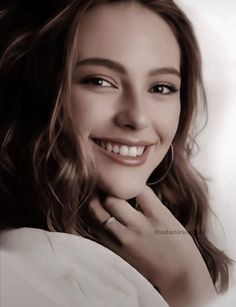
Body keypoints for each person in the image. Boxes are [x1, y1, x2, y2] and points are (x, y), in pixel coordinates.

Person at [0, 0, 233, 306]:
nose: (137, 117)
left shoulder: (180, 232)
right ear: (35, 90)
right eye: (100, 81)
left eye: (161, 87)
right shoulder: (20, 267)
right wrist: (187, 283)